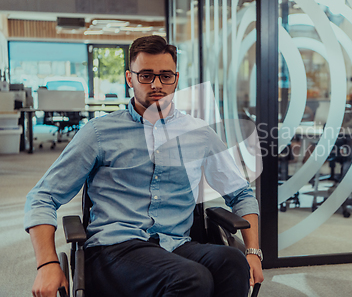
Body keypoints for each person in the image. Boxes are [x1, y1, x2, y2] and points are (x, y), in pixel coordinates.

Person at [24, 35, 264, 297]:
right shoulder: (99, 133)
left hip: (176, 244)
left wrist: (252, 252)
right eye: (146, 76)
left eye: (166, 76)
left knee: (232, 263)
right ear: (130, 78)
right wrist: (46, 264)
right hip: (114, 249)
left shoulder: (199, 133)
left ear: (176, 78)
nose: (157, 84)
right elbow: (43, 196)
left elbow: (241, 194)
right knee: (193, 279)